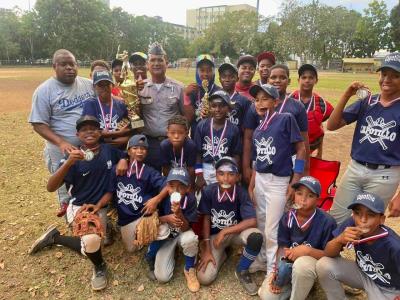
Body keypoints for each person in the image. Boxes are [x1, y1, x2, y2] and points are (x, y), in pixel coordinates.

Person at [28, 116, 127, 291]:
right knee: (90, 243)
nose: (89, 131)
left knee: (98, 243)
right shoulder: (71, 157)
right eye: (84, 129)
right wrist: (68, 163)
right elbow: (51, 187)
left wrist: (123, 159)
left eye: (93, 128)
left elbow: (124, 155)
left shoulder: (107, 150)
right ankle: (99, 267)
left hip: (100, 207)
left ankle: (60, 237)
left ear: (100, 132)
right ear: (77, 134)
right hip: (80, 207)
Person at [327, 52, 400, 225]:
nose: (387, 80)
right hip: (355, 169)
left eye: (395, 76)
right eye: (384, 74)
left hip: (385, 174)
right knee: (336, 220)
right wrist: (347, 95)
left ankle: (364, 253)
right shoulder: (367, 101)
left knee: (367, 225)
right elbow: (332, 125)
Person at [248, 84, 306, 275]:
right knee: (262, 223)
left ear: (276, 101)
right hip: (261, 181)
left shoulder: (285, 119)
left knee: (272, 229)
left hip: (278, 181)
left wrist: (295, 180)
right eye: (257, 99)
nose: (260, 103)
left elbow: (301, 149)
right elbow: (257, 160)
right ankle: (264, 258)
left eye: (265, 98)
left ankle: (272, 271)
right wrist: (252, 182)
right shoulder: (258, 129)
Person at [29, 49, 94, 217]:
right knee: (65, 186)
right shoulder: (44, 91)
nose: (69, 68)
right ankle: (72, 221)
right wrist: (61, 143)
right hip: (61, 150)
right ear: (54, 66)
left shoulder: (87, 84)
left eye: (72, 64)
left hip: (87, 147)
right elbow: (38, 123)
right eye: (64, 64)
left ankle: (89, 216)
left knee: (87, 181)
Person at [258, 176, 336, 300]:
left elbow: (330, 257)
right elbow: (283, 246)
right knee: (267, 297)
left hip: (311, 264)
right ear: (294, 194)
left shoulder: (327, 222)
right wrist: (277, 270)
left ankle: (307, 283)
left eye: (310, 196)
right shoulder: (287, 217)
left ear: (317, 199)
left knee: (302, 266)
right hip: (289, 266)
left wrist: (307, 251)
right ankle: (296, 285)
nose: (303, 199)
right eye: (299, 193)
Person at [197, 157, 263, 295]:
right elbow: (206, 219)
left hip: (235, 233)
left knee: (256, 237)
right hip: (215, 238)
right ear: (216, 175)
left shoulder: (241, 193)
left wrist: (225, 231)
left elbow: (252, 221)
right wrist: (207, 249)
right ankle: (223, 254)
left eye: (231, 174)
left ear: (238, 177)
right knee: (204, 278)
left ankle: (242, 268)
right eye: (221, 173)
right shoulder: (209, 191)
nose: (225, 178)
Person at [316, 192, 400, 300]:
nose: (363, 220)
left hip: (389, 287)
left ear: (381, 219)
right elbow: (328, 253)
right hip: (364, 275)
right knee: (324, 264)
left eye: (370, 214)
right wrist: (339, 239)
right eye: (357, 213)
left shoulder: (394, 245)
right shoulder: (352, 223)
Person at [242, 64, 310, 185]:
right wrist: (246, 166)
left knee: (286, 198)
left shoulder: (297, 106)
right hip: (261, 162)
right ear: (268, 80)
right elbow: (248, 138)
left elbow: (304, 141)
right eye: (273, 77)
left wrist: (304, 169)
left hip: (286, 166)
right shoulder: (256, 106)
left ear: (288, 81)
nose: (277, 80)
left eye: (282, 77)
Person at [105, 134, 167, 252]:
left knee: (162, 232)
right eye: (135, 148)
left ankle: (153, 242)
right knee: (131, 248)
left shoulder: (149, 171)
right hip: (126, 218)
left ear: (147, 152)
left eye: (143, 149)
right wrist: (97, 207)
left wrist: (156, 199)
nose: (139, 151)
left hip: (144, 214)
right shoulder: (117, 169)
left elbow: (167, 186)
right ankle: (139, 234)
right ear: (128, 151)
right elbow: (109, 192)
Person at [138, 42, 193, 171]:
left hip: (172, 143)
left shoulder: (178, 87)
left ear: (166, 62)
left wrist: (180, 137)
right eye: (153, 60)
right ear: (147, 65)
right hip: (149, 143)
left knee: (174, 181)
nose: (156, 63)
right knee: (152, 182)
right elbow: (136, 115)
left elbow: (187, 116)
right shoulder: (140, 88)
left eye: (160, 60)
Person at [145, 167, 200, 292]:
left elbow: (186, 228)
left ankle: (189, 268)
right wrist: (166, 218)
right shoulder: (161, 197)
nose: (175, 190)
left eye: (181, 186)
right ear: (167, 186)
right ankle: (150, 255)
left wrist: (179, 213)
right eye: (171, 186)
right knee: (163, 277)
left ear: (188, 188)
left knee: (190, 238)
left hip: (181, 232)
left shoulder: (190, 199)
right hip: (166, 238)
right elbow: (150, 221)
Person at [194, 90, 242, 188]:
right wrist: (199, 176)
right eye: (214, 106)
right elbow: (197, 153)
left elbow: (236, 155)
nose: (217, 109)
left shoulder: (233, 129)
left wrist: (233, 173)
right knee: (204, 199)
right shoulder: (202, 126)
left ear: (229, 108)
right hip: (205, 168)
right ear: (209, 108)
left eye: (222, 106)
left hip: (225, 170)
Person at [291, 64, 333, 158]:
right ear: (299, 80)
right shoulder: (289, 99)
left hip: (310, 151)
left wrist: (320, 153)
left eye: (311, 78)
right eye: (304, 77)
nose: (307, 80)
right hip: (290, 150)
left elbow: (320, 129)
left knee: (304, 170)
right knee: (295, 171)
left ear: (316, 81)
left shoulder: (322, 104)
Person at [82, 70, 131, 148]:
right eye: (100, 85)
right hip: (98, 148)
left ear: (112, 85)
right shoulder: (90, 104)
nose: (104, 88)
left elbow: (130, 127)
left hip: (119, 149)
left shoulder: (121, 104)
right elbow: (88, 131)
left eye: (107, 84)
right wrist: (116, 134)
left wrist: (127, 138)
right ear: (94, 87)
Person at [184, 54, 221, 134]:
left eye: (209, 70)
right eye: (202, 70)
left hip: (214, 135)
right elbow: (188, 119)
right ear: (197, 72)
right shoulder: (192, 90)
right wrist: (186, 96)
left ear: (213, 71)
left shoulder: (219, 92)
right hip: (196, 134)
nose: (205, 74)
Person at [160, 115, 196, 187]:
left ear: (186, 133)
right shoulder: (164, 146)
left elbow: (191, 170)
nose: (176, 136)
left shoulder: (191, 146)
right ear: (167, 133)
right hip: (171, 178)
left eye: (180, 133)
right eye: (172, 133)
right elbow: (165, 168)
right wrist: (171, 185)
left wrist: (190, 186)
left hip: (186, 180)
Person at [218, 63, 251, 132]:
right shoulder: (214, 98)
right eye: (224, 76)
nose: (227, 79)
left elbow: (247, 128)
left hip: (237, 141)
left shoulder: (244, 101)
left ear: (237, 78)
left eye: (231, 76)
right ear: (219, 79)